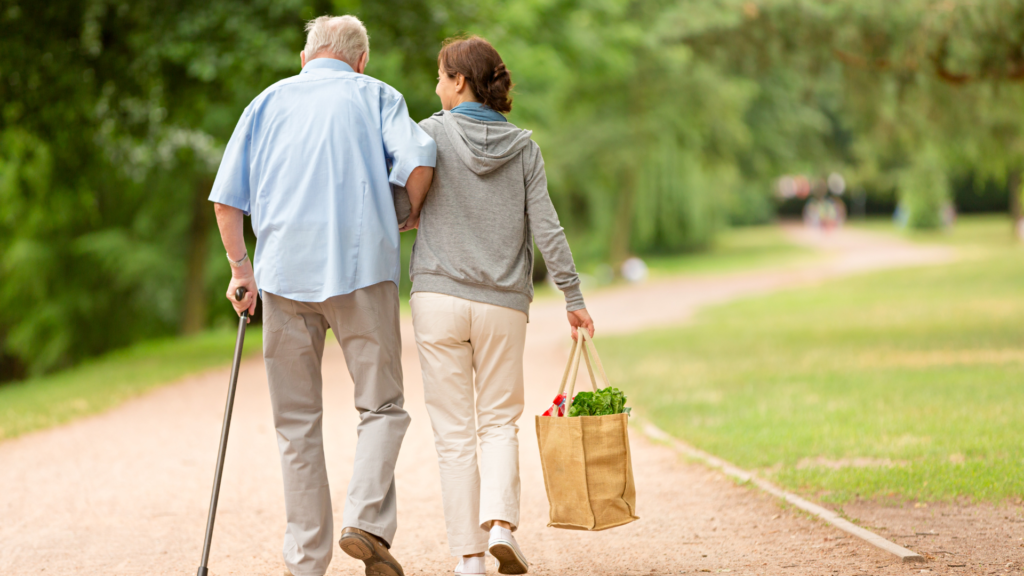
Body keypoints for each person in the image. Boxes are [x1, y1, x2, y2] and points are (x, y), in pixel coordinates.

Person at [208, 15, 435, 576]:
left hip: (283, 277)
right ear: (360, 59)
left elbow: (226, 201)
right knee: (381, 406)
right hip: (362, 271)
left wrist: (242, 269)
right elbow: (421, 160)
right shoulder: (377, 95)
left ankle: (306, 561)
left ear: (305, 56)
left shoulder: (265, 102)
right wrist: (405, 213)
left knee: (296, 422)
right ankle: (365, 520)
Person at [406, 36, 595, 576]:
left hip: (438, 297)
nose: (436, 86)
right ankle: (502, 527)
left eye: (441, 76)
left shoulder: (431, 134)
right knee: (498, 423)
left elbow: (402, 205)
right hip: (502, 306)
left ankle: (469, 558)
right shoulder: (525, 148)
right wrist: (573, 296)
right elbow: (549, 230)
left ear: (460, 82)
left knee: (453, 432)